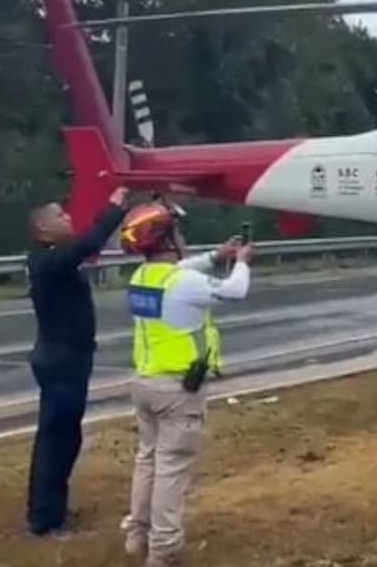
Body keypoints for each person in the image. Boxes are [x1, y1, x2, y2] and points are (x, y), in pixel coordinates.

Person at [117, 200, 254, 565]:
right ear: (166, 239)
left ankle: (137, 534)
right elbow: (235, 290)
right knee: (171, 469)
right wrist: (240, 261)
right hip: (178, 389)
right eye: (177, 231)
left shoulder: (143, 277)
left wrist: (216, 254)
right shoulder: (182, 282)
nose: (182, 236)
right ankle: (164, 550)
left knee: (147, 461)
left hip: (145, 381)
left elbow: (179, 270)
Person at [24, 188, 129, 537]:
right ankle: (44, 519)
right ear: (42, 229)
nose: (67, 217)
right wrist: (114, 207)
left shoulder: (52, 258)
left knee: (65, 437)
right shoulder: (49, 261)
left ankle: (53, 509)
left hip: (69, 357)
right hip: (62, 360)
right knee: (57, 439)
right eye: (59, 215)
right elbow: (90, 243)